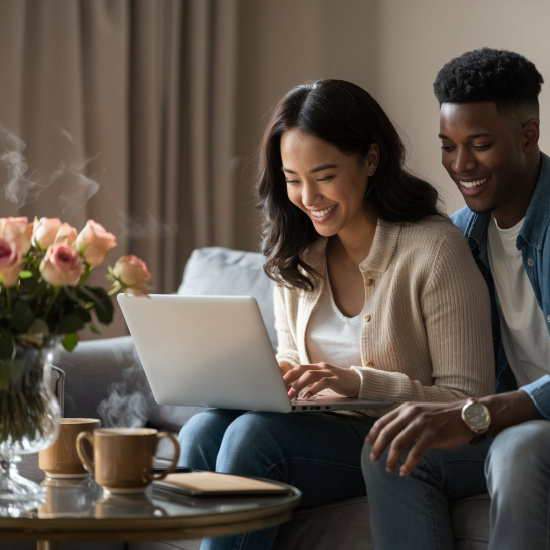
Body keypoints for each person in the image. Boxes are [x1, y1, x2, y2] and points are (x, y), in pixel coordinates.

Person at [177, 78, 494, 550]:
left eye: (324, 176)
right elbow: (293, 361)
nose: (308, 197)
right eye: (292, 180)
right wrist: (274, 377)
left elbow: (469, 400)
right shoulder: (296, 252)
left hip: (386, 440)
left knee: (253, 438)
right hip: (317, 432)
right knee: (203, 429)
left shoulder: (433, 249)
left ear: (370, 160)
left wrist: (359, 383)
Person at [363, 48, 550, 550]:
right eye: (448, 145)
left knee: (520, 448)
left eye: (480, 144)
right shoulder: (461, 237)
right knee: (393, 447)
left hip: (527, 429)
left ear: (528, 135)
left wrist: (484, 414)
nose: (460, 164)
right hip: (512, 420)